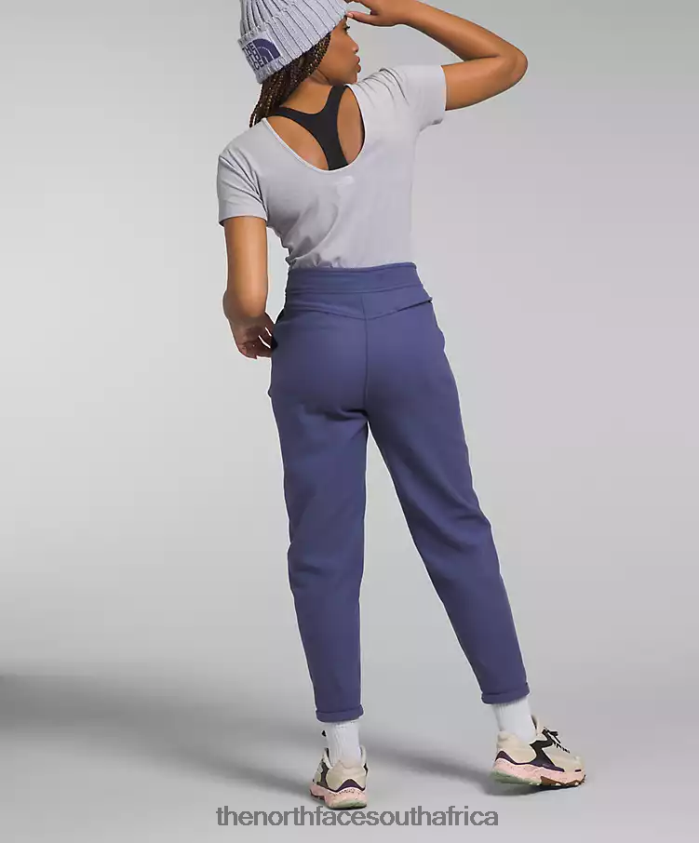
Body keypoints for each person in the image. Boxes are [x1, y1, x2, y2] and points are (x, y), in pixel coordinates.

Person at [216, 0, 585, 809]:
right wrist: (411, 10)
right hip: (405, 333)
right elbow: (508, 63)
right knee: (454, 524)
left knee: (322, 552)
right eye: (341, 27)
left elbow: (247, 295)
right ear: (310, 45)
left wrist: (245, 324)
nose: (356, 36)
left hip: (313, 341)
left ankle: (344, 760)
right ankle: (519, 735)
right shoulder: (393, 96)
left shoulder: (244, 154)